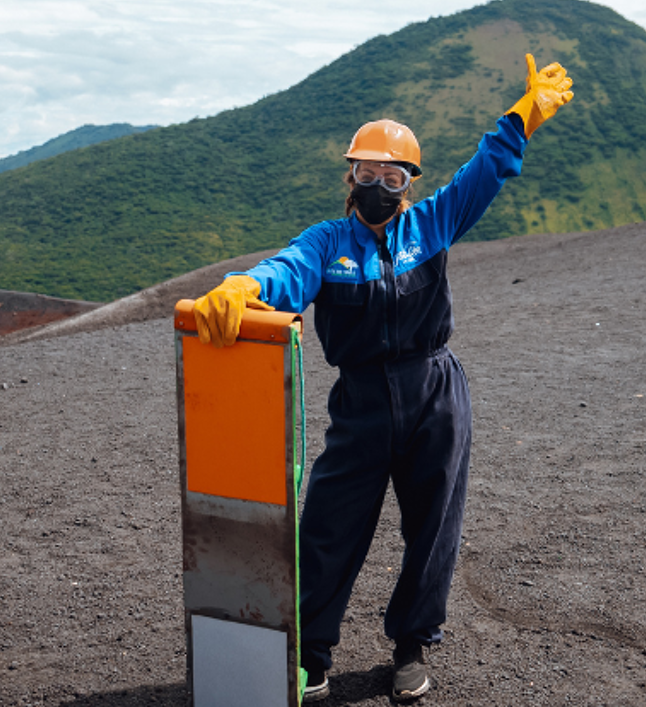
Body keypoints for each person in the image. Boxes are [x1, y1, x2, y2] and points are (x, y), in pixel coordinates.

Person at [189, 54, 574, 700]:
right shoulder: (326, 242)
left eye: (391, 174)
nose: (378, 183)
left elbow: (488, 173)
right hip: (363, 398)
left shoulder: (434, 223)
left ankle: (411, 648)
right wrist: (247, 284)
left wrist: (522, 116)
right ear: (351, 176)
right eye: (367, 171)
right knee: (330, 525)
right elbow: (286, 271)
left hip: (435, 392)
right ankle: (311, 653)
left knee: (433, 525)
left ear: (409, 182)